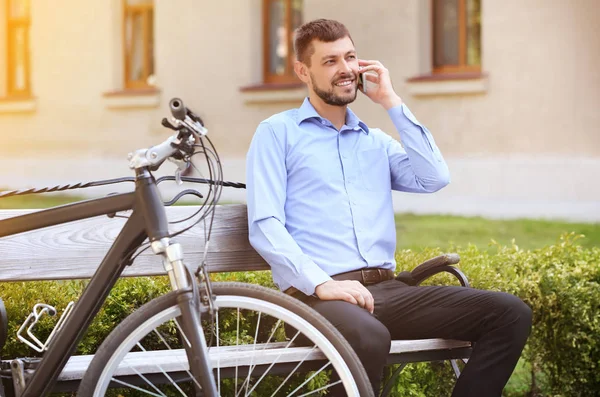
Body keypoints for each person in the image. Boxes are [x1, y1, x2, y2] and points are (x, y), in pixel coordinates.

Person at [246, 18, 532, 397]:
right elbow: (264, 223)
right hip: (313, 299)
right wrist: (323, 283)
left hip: (389, 293)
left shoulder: (375, 142)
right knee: (369, 337)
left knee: (510, 314)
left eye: (350, 57)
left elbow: (433, 177)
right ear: (303, 70)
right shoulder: (277, 133)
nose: (346, 69)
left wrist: (391, 102)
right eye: (330, 61)